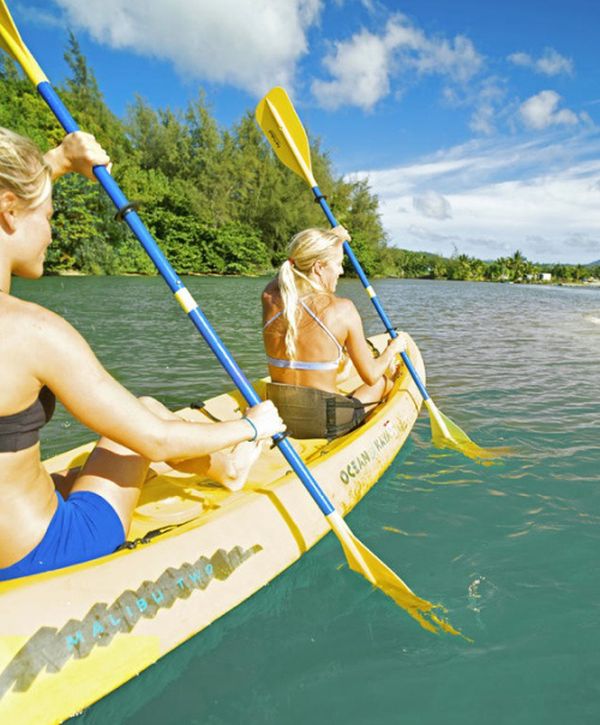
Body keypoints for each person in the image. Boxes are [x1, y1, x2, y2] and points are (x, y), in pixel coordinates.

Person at [0, 127, 285, 581]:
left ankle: (221, 464)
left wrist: (58, 160)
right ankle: (230, 463)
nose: (51, 233)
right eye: (50, 216)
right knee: (146, 412)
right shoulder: (33, 331)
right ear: (9, 211)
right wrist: (253, 425)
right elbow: (156, 440)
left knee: (98, 450)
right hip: (41, 554)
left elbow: (17, 198)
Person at [262, 225, 406, 439]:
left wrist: (335, 239)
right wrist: (393, 348)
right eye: (338, 264)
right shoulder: (343, 309)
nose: (340, 271)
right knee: (383, 383)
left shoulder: (269, 297)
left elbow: (288, 271)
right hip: (323, 423)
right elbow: (371, 376)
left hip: (278, 416)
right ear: (319, 267)